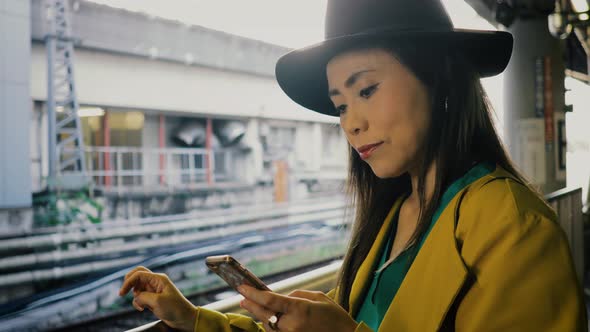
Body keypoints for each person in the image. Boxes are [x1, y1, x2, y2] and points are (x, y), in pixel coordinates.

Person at [119, 0, 588, 331]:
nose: (352, 124)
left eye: (366, 90)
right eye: (340, 104)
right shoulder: (392, 213)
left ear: (440, 78)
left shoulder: (513, 224)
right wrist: (193, 319)